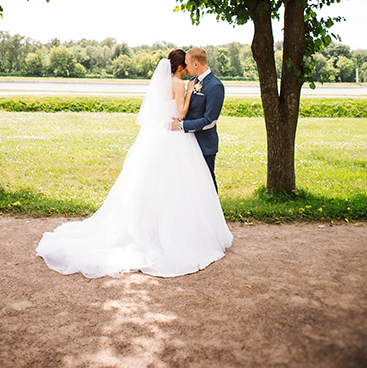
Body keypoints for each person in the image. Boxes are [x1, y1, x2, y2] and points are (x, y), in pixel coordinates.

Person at [36, 50, 232, 278]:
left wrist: (182, 119)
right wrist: (187, 96)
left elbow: (209, 119)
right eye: (186, 65)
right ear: (183, 67)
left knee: (193, 187)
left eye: (190, 64)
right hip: (177, 138)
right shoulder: (184, 84)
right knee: (178, 185)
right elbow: (181, 111)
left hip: (182, 138)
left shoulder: (207, 85)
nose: (188, 68)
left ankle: (194, 230)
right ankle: (173, 232)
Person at [172, 47, 225, 192]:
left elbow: (210, 121)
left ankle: (212, 214)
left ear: (196, 64)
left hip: (204, 145)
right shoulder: (192, 82)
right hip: (188, 143)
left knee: (207, 185)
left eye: (187, 64)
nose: (185, 68)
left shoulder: (215, 86)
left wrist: (181, 125)